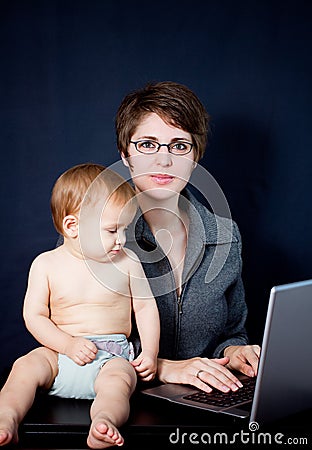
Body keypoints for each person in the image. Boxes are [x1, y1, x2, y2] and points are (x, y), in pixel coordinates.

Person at [115, 80, 260, 395]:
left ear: (195, 156)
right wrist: (164, 366)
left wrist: (235, 353)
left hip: (206, 401)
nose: (164, 160)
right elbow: (80, 343)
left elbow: (233, 333)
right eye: (148, 144)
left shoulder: (225, 236)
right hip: (121, 407)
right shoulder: (95, 234)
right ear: (125, 154)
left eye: (179, 145)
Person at [0, 163, 160, 448]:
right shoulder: (47, 264)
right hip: (60, 355)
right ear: (72, 226)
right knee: (25, 366)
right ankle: (6, 418)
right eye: (112, 230)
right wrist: (67, 344)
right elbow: (34, 315)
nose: (121, 240)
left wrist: (149, 352)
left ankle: (104, 422)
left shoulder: (129, 263)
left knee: (119, 383)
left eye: (125, 229)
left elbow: (146, 309)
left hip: (111, 356)